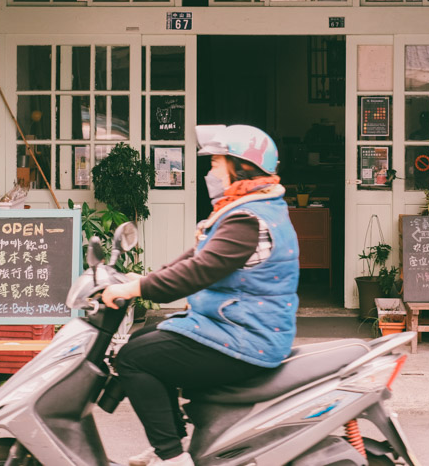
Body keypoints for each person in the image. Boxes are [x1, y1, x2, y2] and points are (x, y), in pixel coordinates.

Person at [101, 124, 299, 466]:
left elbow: (198, 271)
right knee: (148, 338)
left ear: (241, 167)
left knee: (133, 358)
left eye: (216, 164)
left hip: (248, 337)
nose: (211, 172)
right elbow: (196, 256)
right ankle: (172, 443)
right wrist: (147, 278)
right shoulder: (248, 208)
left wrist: (137, 288)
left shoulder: (248, 220)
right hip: (234, 324)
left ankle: (173, 458)